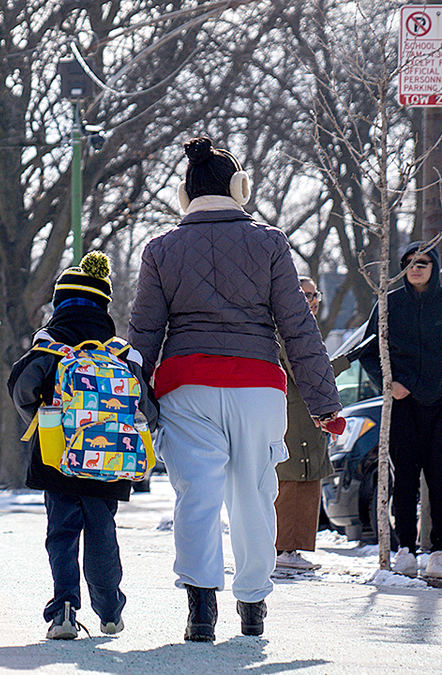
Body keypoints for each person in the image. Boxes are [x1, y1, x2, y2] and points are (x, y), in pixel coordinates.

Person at [128, 137, 340, 641]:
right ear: (239, 189)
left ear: (185, 195)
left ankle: (201, 610)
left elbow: (143, 334)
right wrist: (324, 402)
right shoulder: (269, 242)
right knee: (254, 493)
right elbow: (297, 327)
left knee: (196, 497)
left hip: (185, 387)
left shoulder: (159, 249)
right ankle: (252, 603)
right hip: (257, 384)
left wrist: (134, 399)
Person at [9, 251, 159, 640]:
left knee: (61, 534)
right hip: (109, 458)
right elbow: (149, 409)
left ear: (59, 303)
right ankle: (109, 611)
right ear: (104, 304)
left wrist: (45, 424)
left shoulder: (49, 349)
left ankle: (63, 610)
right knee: (102, 532)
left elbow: (21, 389)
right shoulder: (122, 353)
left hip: (57, 458)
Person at [358, 242, 442, 578]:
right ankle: (405, 548)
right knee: (404, 479)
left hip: (439, 405)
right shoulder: (388, 304)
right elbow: (367, 351)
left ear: (434, 267)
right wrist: (388, 383)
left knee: (439, 480)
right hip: (403, 405)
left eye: (423, 262)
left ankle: (438, 550)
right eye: (409, 262)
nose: (416, 267)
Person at [274, 277, 352, 572]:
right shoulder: (287, 333)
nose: (312, 300)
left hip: (311, 418)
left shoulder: (308, 331)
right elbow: (307, 373)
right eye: (304, 295)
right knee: (293, 481)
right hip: (296, 418)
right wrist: (345, 361)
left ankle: (293, 548)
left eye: (314, 294)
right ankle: (284, 548)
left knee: (308, 481)